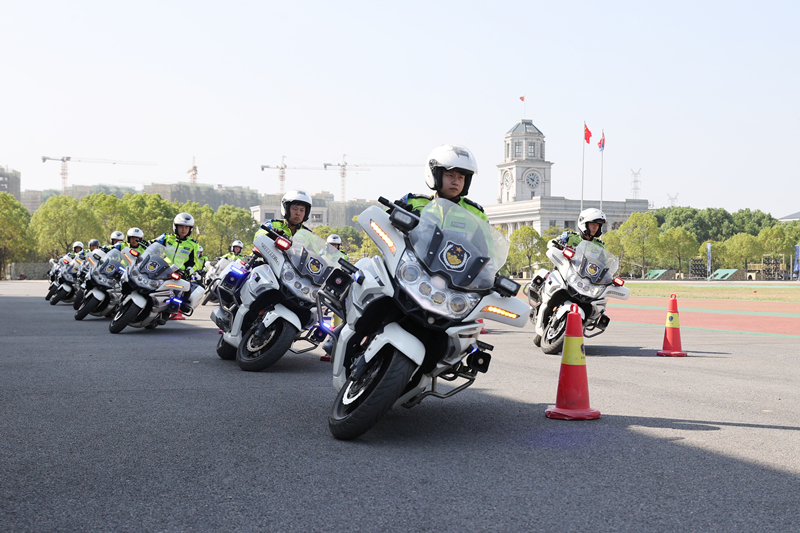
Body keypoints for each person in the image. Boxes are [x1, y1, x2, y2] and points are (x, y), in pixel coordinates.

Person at [396, 144, 488, 222]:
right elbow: (383, 225)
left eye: (461, 177)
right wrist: (394, 213)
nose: (456, 182)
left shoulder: (476, 214)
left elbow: (488, 243)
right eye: (450, 175)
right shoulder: (414, 203)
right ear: (436, 176)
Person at [153, 213, 204, 313]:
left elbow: (194, 263)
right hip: (161, 268)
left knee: (184, 291)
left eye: (186, 227)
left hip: (177, 273)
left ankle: (177, 306)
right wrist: (146, 243)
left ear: (190, 229)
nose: (183, 229)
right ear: (175, 226)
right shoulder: (166, 237)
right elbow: (153, 244)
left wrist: (187, 272)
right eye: (181, 226)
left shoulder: (193, 245)